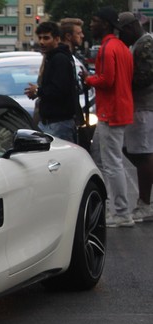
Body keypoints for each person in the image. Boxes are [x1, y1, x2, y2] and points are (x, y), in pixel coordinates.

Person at [80, 6, 134, 227]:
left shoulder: (106, 48)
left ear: (106, 24)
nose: (91, 25)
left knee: (112, 163)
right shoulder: (121, 47)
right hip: (120, 109)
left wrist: (88, 79)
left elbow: (107, 80)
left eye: (94, 21)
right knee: (106, 160)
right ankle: (113, 207)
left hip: (110, 112)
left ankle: (121, 212)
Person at [118, 12, 153, 222]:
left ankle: (145, 204)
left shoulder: (145, 44)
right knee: (132, 150)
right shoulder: (139, 44)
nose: (120, 37)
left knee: (142, 154)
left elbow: (144, 77)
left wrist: (121, 84)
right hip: (140, 106)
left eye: (122, 32)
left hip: (144, 107)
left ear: (131, 27)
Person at [24, 22, 79, 142]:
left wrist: (38, 91)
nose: (42, 42)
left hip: (59, 124)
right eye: (40, 38)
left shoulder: (59, 59)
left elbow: (59, 90)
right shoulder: (52, 57)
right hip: (51, 123)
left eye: (46, 38)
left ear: (57, 39)